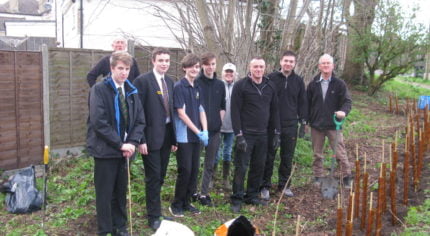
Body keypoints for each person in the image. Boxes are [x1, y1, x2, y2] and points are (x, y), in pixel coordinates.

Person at [87, 51, 145, 236]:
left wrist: (132, 143)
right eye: (120, 68)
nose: (124, 72)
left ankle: (120, 227)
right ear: (112, 68)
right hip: (105, 151)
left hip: (125, 152)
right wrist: (120, 144)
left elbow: (140, 120)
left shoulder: (132, 91)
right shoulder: (99, 90)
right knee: (104, 195)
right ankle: (105, 230)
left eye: (127, 69)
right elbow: (99, 122)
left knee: (120, 192)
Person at [133, 48, 177, 231]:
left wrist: (174, 139)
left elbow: (172, 112)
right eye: (161, 60)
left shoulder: (170, 81)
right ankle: (153, 217)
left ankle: (157, 211)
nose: (164, 63)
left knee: (160, 176)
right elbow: (137, 111)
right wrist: (140, 140)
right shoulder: (142, 81)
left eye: (167, 60)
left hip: (166, 135)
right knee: (153, 177)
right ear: (153, 61)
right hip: (149, 138)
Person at [230, 57, 280, 213]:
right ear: (250, 68)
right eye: (255, 67)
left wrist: (277, 132)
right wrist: (239, 135)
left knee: (258, 167)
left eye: (261, 66)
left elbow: (275, 111)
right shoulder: (241, 86)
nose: (258, 69)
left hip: (263, 135)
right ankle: (237, 198)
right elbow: (235, 111)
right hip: (246, 134)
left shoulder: (270, 86)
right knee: (241, 167)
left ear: (265, 68)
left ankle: (251, 195)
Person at [260, 51, 307, 200]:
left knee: (287, 156)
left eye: (291, 61)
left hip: (290, 124)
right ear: (281, 62)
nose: (288, 64)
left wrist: (303, 122)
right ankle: (265, 186)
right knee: (269, 155)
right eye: (286, 61)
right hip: (272, 124)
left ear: (294, 64)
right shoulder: (271, 78)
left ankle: (284, 185)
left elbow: (302, 102)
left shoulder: (298, 81)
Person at [169, 53, 208, 217]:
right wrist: (198, 131)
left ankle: (187, 202)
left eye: (197, 67)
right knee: (185, 170)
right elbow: (181, 113)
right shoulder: (179, 87)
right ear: (184, 68)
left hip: (196, 137)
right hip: (184, 137)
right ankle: (176, 204)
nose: (195, 69)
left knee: (194, 170)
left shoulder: (197, 87)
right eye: (191, 66)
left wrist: (205, 130)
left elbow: (201, 110)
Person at [307, 54, 352, 188]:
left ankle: (346, 177)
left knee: (340, 152)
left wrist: (343, 112)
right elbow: (306, 103)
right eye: (323, 63)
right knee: (317, 154)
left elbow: (347, 101)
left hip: (333, 125)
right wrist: (306, 120)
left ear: (333, 66)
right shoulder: (313, 84)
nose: (326, 66)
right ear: (319, 66)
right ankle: (318, 176)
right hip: (316, 125)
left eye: (328, 63)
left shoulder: (339, 84)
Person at [194, 52, 226, 206]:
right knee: (194, 162)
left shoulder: (220, 85)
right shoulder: (196, 82)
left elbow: (222, 106)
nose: (210, 67)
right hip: (197, 131)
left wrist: (218, 123)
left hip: (214, 131)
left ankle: (203, 193)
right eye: (207, 65)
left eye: (213, 64)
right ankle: (192, 191)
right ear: (202, 66)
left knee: (210, 163)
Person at [214, 63, 237, 190]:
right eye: (226, 72)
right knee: (215, 153)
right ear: (222, 73)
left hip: (232, 126)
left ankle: (225, 179)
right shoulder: (217, 85)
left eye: (231, 72)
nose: (229, 74)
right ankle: (212, 177)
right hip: (218, 126)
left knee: (227, 153)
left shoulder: (237, 87)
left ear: (234, 74)